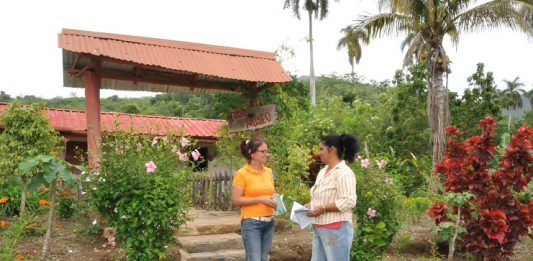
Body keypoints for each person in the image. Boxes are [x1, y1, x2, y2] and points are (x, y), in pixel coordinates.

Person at [306, 134, 358, 261]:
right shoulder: (323, 171)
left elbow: (348, 201)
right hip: (319, 227)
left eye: (321, 149)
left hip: (336, 230)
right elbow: (322, 195)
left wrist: (323, 208)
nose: (319, 153)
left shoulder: (344, 173)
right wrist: (311, 205)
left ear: (332, 150)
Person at [232, 138, 277, 261]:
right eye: (263, 151)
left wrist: (276, 201)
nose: (266, 154)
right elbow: (236, 200)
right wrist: (260, 199)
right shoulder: (241, 174)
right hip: (251, 223)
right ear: (252, 153)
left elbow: (270, 193)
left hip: (270, 222)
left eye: (267, 151)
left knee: (264, 259)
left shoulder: (269, 172)